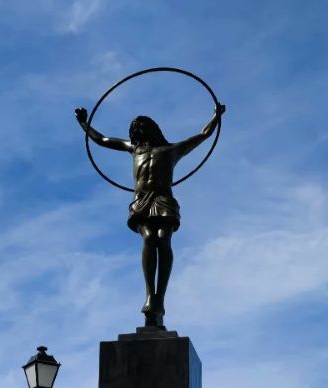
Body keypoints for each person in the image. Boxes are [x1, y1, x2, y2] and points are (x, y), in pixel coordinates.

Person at [75, 104, 224, 327]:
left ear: (151, 128)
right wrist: (84, 123)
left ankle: (159, 299)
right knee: (148, 238)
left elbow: (204, 134)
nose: (136, 130)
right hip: (142, 201)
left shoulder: (172, 150)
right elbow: (103, 140)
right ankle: (149, 295)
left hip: (163, 199)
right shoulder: (134, 149)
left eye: (140, 126)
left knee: (163, 239)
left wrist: (216, 116)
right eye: (134, 128)